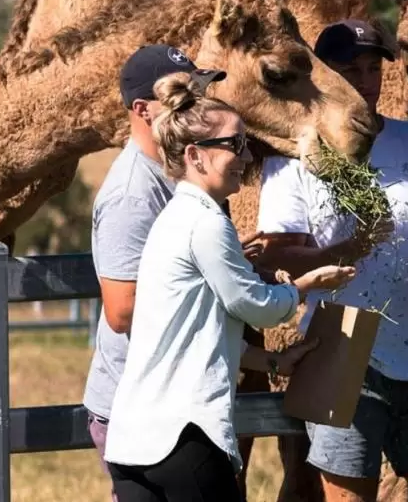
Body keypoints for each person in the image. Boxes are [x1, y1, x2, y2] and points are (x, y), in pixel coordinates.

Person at [102, 71, 357, 502]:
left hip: (134, 441)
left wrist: (270, 361)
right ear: (194, 155)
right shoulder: (206, 222)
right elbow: (253, 305)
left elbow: (193, 327)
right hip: (184, 439)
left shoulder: (172, 218)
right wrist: (303, 286)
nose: (246, 155)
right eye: (234, 144)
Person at [256, 19, 408, 502]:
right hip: (337, 342)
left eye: (372, 67)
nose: (363, 79)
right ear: (324, 76)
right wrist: (346, 251)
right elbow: (275, 257)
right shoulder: (294, 154)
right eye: (348, 69)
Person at [81, 44, 281, 500]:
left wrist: (222, 262)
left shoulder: (183, 178)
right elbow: (122, 311)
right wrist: (224, 274)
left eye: (197, 91)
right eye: (184, 94)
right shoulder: (134, 195)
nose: (195, 104)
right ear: (141, 110)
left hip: (168, 400)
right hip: (144, 407)